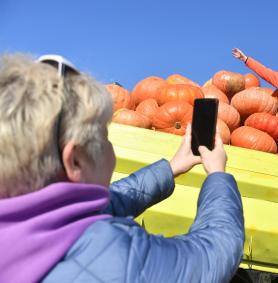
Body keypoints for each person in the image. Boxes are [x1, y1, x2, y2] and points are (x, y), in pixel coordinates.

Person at [0, 54, 244, 283]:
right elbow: (213, 254)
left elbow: (110, 202)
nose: (110, 146)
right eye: (105, 137)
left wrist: (170, 169)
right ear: (75, 161)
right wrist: (218, 175)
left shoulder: (25, 220)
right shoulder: (115, 254)